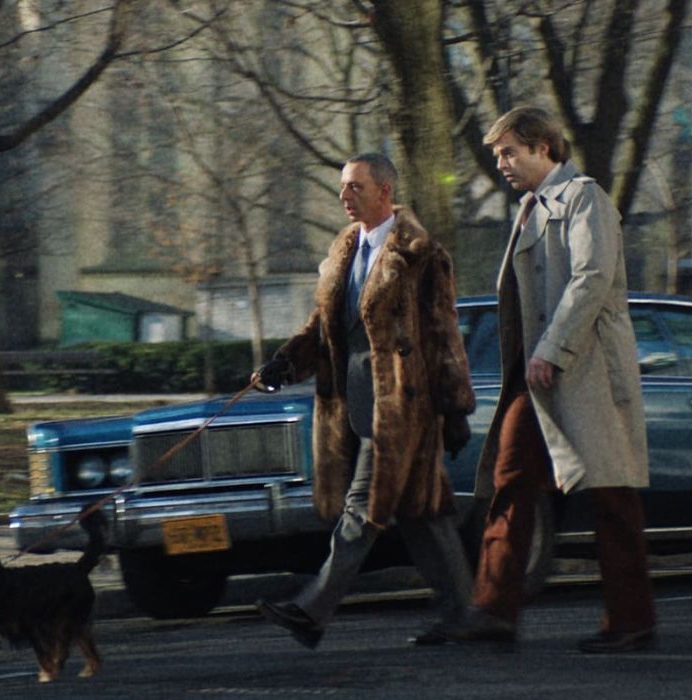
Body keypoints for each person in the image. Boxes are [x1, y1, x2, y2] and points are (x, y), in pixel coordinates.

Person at [250, 152, 477, 649]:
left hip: (401, 408)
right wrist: (285, 364)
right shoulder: (345, 251)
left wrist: (456, 406)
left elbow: (443, 333)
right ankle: (466, 613)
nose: (343, 196)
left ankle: (312, 610)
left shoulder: (420, 253)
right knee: (424, 513)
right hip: (352, 404)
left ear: (384, 192)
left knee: (363, 507)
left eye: (355, 187)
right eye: (342, 187)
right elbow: (322, 329)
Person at [456, 107, 656, 653]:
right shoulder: (531, 207)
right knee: (510, 480)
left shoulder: (585, 197)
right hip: (538, 375)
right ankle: (493, 610)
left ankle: (631, 620)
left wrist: (550, 350)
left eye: (508, 153)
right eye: (498, 155)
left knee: (611, 495)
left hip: (584, 368)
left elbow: (591, 280)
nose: (501, 165)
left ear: (543, 147)